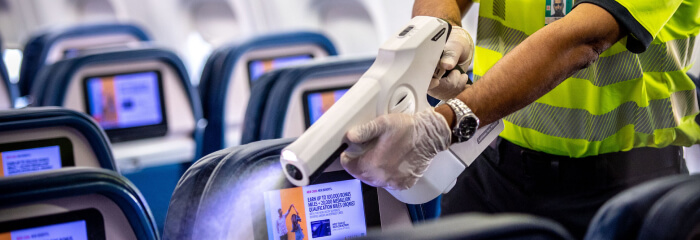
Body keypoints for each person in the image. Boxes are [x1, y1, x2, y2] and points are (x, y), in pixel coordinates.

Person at [340, 0, 699, 238]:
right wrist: (445, 31)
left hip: (626, 183)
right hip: (494, 168)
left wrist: (447, 121)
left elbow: (585, 38)